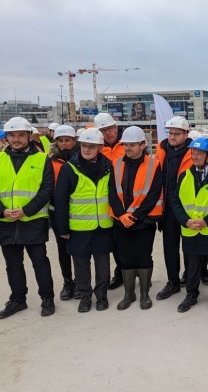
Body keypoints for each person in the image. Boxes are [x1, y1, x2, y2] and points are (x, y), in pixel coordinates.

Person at [0, 117, 55, 319]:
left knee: (40, 262)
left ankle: (47, 299)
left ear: (29, 136)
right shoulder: (0, 160)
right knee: (12, 264)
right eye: (12, 135)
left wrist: (26, 210)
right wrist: (2, 211)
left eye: (21, 135)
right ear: (6, 137)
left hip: (33, 221)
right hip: (6, 223)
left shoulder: (41, 159)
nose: (16, 139)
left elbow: (47, 190)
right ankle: (18, 300)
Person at [55, 128, 114, 313]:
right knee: (81, 264)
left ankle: (102, 296)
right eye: (84, 145)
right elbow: (61, 200)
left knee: (103, 264)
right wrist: (62, 228)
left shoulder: (109, 167)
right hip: (78, 227)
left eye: (91, 146)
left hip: (103, 226)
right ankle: (86, 296)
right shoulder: (69, 168)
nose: (86, 149)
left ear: (100, 148)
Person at [108, 126, 163, 311]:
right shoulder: (116, 164)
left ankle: (144, 295)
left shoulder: (153, 164)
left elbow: (153, 194)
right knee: (125, 258)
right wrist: (121, 215)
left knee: (144, 257)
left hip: (144, 221)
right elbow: (112, 193)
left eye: (132, 145)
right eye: (125, 145)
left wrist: (136, 216)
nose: (128, 148)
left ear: (142, 144)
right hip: (121, 220)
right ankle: (129, 294)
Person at [172, 137, 208, 313]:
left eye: (199, 154)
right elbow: (176, 202)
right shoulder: (185, 176)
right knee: (192, 266)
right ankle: (191, 295)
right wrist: (186, 221)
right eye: (193, 153)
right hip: (190, 230)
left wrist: (206, 221)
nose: (194, 157)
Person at [154, 116, 193, 300]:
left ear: (186, 134)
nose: (172, 137)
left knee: (189, 247)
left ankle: (190, 278)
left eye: (177, 134)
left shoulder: (194, 151)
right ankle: (173, 282)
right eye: (170, 133)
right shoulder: (161, 150)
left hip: (187, 208)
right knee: (170, 247)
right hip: (167, 208)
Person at [94, 112, 125, 290]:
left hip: (126, 200)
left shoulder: (126, 144)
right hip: (105, 201)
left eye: (110, 128)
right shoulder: (97, 147)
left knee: (128, 241)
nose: (108, 133)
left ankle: (135, 271)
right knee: (112, 242)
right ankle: (119, 272)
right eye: (104, 130)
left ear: (116, 127)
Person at [49, 125, 80, 301]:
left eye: (67, 140)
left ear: (74, 140)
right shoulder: (51, 161)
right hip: (57, 212)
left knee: (79, 250)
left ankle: (80, 280)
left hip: (78, 212)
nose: (64, 144)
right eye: (60, 140)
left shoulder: (82, 158)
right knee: (63, 250)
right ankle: (68, 282)